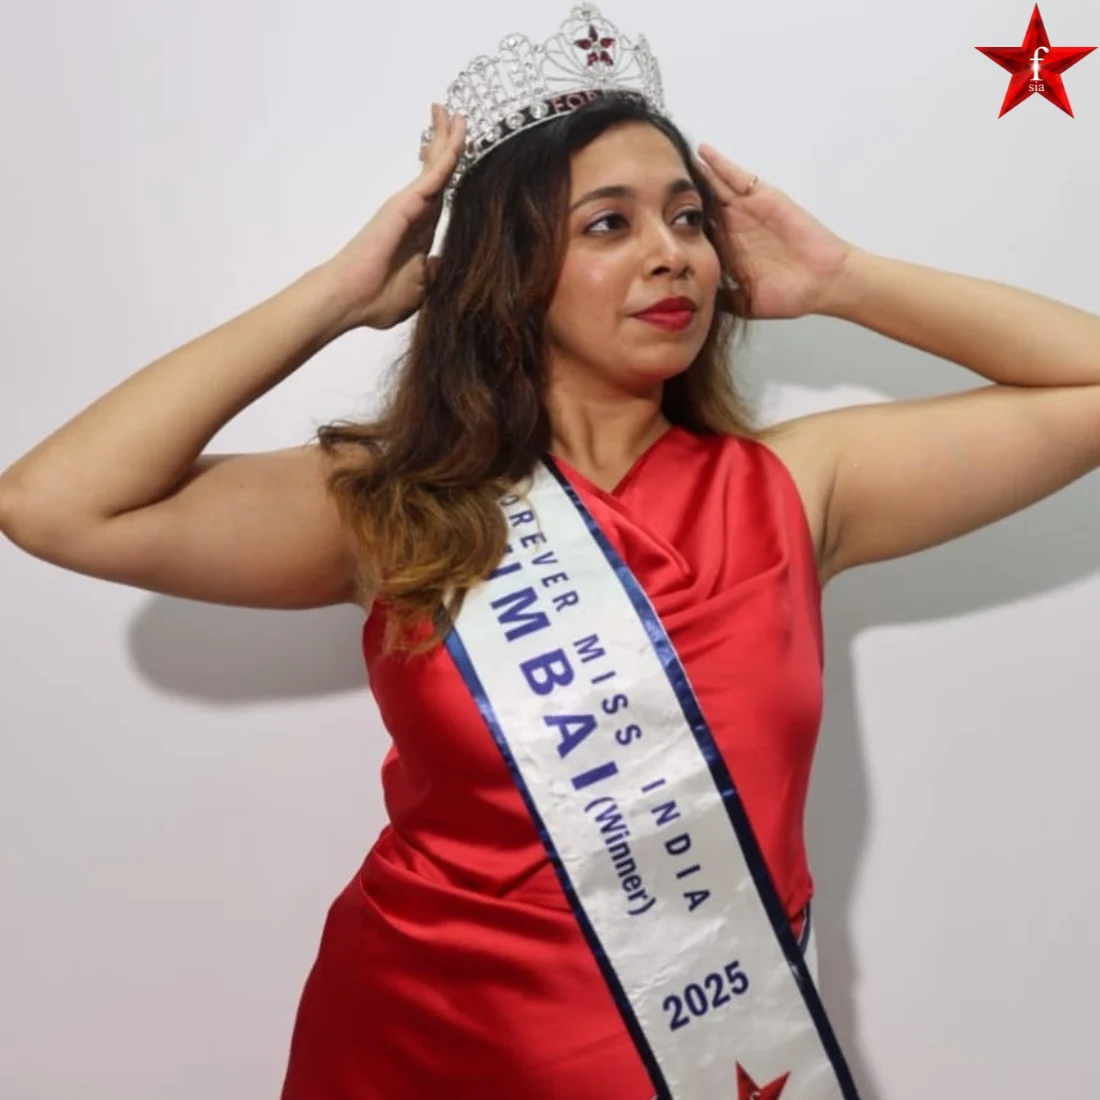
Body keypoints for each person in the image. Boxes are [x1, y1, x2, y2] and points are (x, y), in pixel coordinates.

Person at [3, 5, 1100, 1098]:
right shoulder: (395, 503)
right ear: (512, 266)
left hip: (707, 1056)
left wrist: (842, 278)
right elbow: (54, 505)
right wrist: (337, 296)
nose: (671, 254)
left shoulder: (791, 489)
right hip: (415, 1043)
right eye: (609, 224)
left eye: (687, 220)